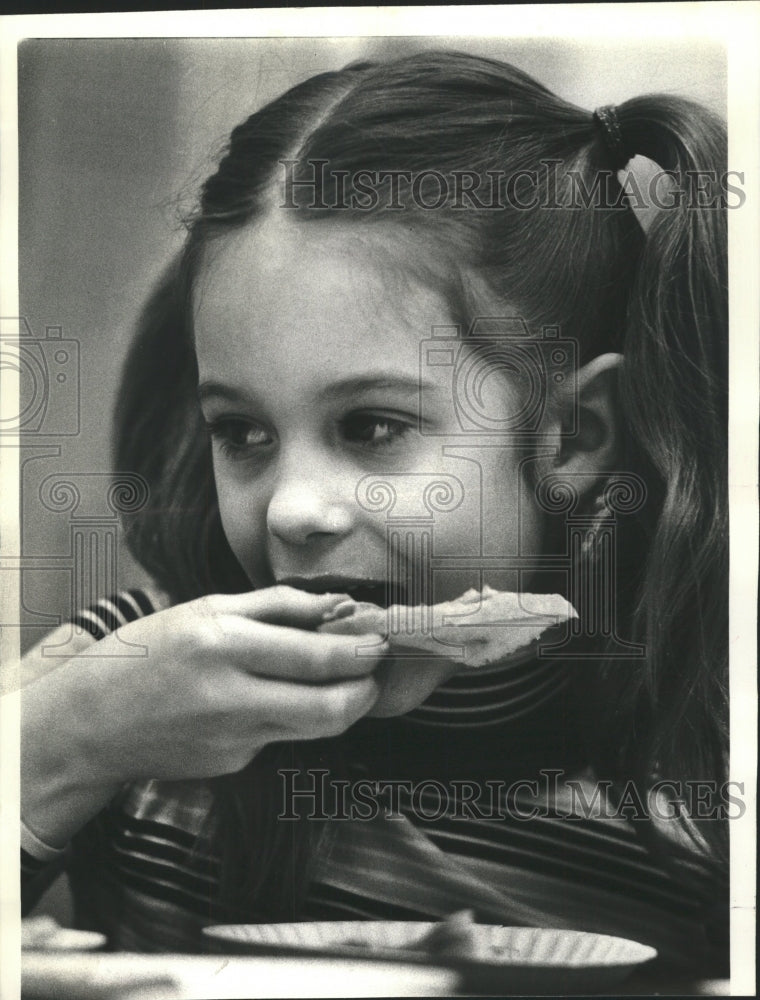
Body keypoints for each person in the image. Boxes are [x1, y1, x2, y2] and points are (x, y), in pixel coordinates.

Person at [20, 50, 728, 970]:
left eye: (372, 426)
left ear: (574, 437)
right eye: (242, 432)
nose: (294, 511)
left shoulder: (699, 750)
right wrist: (58, 748)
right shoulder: (127, 680)